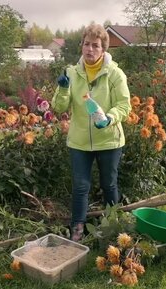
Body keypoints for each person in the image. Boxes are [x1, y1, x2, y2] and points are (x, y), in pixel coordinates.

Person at [51, 24, 131, 241]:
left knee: (109, 184)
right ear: (81, 46)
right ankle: (77, 229)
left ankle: (112, 227)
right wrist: (64, 88)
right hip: (79, 142)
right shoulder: (71, 73)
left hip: (109, 141)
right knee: (80, 187)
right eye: (87, 44)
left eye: (95, 45)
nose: (90, 49)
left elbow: (125, 106)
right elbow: (59, 107)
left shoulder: (115, 74)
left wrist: (110, 119)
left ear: (103, 49)